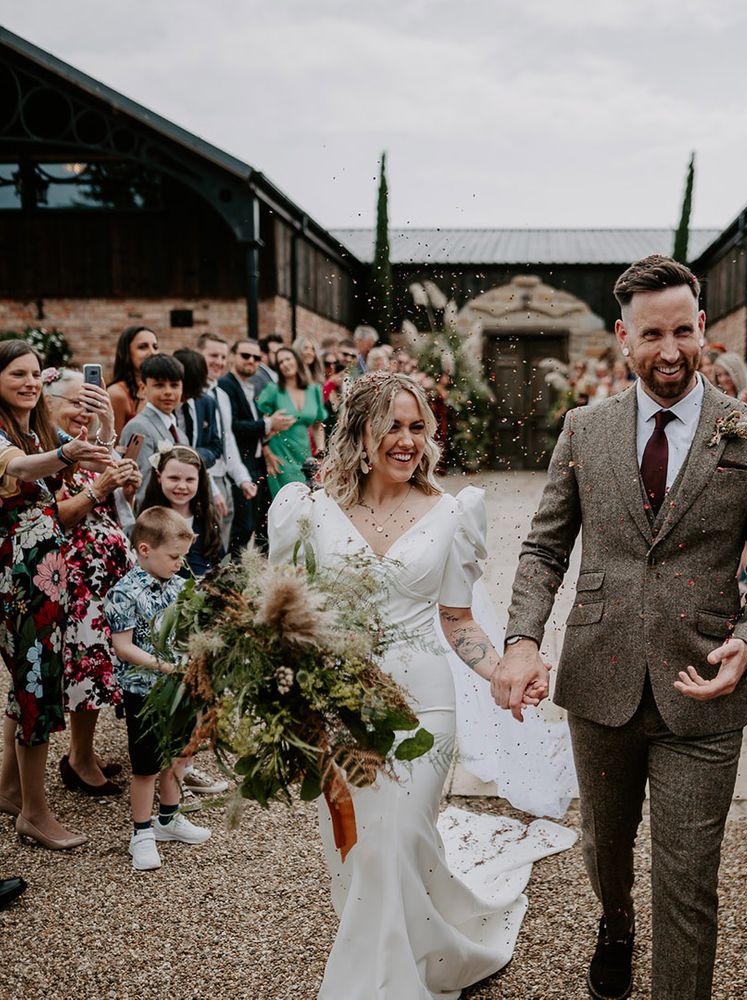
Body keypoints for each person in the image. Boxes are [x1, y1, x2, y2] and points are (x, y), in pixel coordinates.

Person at [492, 255, 747, 1000]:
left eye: (683, 332)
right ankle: (615, 923)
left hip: (704, 687)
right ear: (624, 338)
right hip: (599, 679)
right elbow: (544, 546)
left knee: (689, 883)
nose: (669, 352)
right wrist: (524, 641)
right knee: (604, 848)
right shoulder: (584, 428)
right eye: (652, 334)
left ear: (703, 330)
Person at [268, 371, 573, 1000]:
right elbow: (281, 610)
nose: (408, 441)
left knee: (400, 833)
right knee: (354, 847)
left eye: (417, 427)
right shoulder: (306, 509)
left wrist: (500, 672)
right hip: (337, 703)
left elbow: (457, 619)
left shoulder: (452, 513)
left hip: (422, 703)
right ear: (359, 431)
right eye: (393, 426)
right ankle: (416, 946)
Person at [0, 340, 113, 849]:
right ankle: (35, 814)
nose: (28, 382)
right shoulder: (6, 434)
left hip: (47, 571)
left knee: (32, 679)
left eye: (34, 374)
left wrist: (105, 421)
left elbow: (95, 456)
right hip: (15, 574)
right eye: (16, 374)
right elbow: (22, 469)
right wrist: (64, 453)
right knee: (35, 685)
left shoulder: (40, 426)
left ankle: (9, 789)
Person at [43, 368, 139, 795]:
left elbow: (111, 502)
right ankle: (78, 759)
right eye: (74, 404)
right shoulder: (47, 453)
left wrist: (125, 484)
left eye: (89, 404)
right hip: (76, 580)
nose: (83, 413)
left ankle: (85, 750)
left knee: (100, 667)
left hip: (101, 578)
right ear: (49, 405)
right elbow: (56, 515)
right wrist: (100, 488)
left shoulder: (81, 447)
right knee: (86, 669)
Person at [105, 506, 212, 872]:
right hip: (145, 691)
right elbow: (123, 646)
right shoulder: (124, 592)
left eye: (183, 556)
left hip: (181, 688)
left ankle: (169, 818)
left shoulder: (182, 584)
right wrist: (165, 665)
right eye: (173, 556)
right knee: (147, 766)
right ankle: (141, 833)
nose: (180, 564)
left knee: (179, 755)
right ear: (145, 549)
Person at [217, 340, 294, 552]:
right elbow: (233, 426)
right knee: (241, 527)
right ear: (233, 355)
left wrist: (268, 432)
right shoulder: (226, 385)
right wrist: (269, 423)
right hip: (238, 463)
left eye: (256, 358)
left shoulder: (249, 387)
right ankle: (229, 575)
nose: (251, 361)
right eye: (245, 355)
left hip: (256, 460)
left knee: (253, 524)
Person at [196, 334, 257, 549]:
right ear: (199, 355)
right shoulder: (193, 395)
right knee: (207, 543)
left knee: (225, 539)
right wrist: (211, 488)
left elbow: (227, 439)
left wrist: (242, 478)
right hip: (202, 479)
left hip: (224, 476)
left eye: (222, 357)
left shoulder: (221, 395)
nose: (219, 362)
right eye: (213, 355)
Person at [139, 446, 224, 579]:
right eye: (174, 478)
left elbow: (219, 561)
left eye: (190, 480)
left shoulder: (206, 516)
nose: (182, 486)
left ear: (199, 480)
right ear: (159, 476)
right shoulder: (150, 520)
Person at [256, 346, 325, 495]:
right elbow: (259, 421)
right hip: (280, 455)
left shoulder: (314, 390)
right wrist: (267, 452)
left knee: (308, 501)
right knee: (288, 502)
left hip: (305, 456)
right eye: (280, 362)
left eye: (288, 359)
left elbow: (318, 424)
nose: (284, 364)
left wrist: (320, 451)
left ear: (297, 361)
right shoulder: (273, 390)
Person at [119, 353, 185, 503]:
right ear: (143, 388)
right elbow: (140, 487)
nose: (168, 391)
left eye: (174, 385)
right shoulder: (139, 427)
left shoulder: (180, 433)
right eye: (159, 385)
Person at [107, 326, 159, 437]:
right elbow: (113, 446)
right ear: (126, 352)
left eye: (155, 347)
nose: (152, 352)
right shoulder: (117, 394)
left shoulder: (159, 390)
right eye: (142, 347)